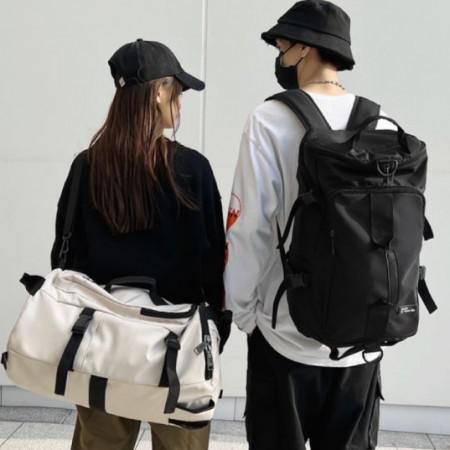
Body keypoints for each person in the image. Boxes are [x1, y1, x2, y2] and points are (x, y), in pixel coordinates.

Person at [224, 1, 396, 449]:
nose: (279, 55)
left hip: (285, 330)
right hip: (362, 338)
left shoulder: (268, 119)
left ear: (305, 48)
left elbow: (250, 227)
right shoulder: (379, 123)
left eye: (282, 45)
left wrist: (243, 311)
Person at [50, 38, 228, 450]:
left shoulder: (87, 165)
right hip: (177, 348)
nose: (179, 102)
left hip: (102, 345)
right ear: (159, 91)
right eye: (178, 91)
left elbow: (65, 257)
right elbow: (213, 261)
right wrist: (217, 329)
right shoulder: (191, 168)